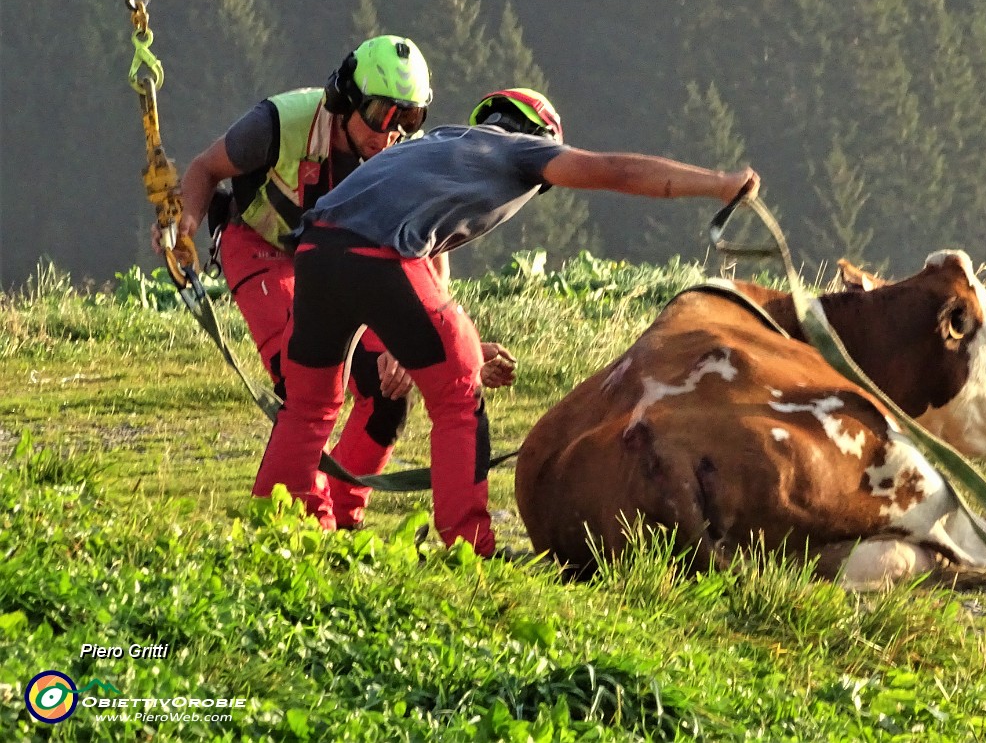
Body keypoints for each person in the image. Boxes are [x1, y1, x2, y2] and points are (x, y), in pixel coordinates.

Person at [255, 86, 760, 556]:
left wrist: (448, 342)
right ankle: (469, 546)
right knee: (458, 391)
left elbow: (405, 270)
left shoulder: (436, 143)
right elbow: (615, 171)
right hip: (381, 255)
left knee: (309, 405)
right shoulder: (520, 149)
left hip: (315, 250)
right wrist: (718, 184)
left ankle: (279, 528)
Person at [158, 34, 447, 530]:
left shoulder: (405, 156)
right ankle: (305, 525)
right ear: (346, 99)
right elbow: (206, 169)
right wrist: (184, 224)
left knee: (387, 395)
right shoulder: (278, 123)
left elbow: (428, 248)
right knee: (307, 382)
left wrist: (416, 337)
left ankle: (345, 519)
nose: (392, 133)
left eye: (410, 118)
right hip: (262, 246)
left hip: (344, 260)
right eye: (381, 114)